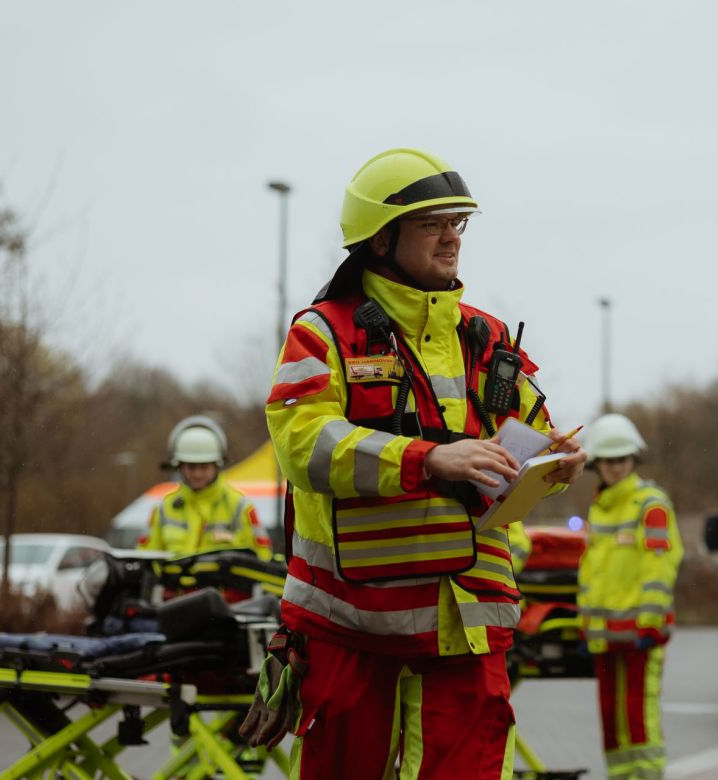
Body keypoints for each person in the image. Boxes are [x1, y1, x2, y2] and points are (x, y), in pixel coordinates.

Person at [240, 148, 586, 779]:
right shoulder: (323, 333)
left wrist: (555, 459)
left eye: (458, 222)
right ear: (378, 240)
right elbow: (303, 443)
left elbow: (532, 430)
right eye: (433, 224)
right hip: (349, 623)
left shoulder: (489, 336)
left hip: (468, 621)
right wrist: (428, 459)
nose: (452, 236)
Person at [578, 412, 683, 780]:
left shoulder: (650, 504)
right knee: (611, 718)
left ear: (632, 460)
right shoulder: (599, 507)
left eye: (621, 460)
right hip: (605, 635)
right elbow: (592, 574)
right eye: (607, 461)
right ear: (596, 464)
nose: (615, 468)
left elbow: (660, 568)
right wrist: (585, 626)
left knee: (639, 718)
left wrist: (651, 623)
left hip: (640, 633)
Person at [138, 415, 272, 562]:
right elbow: (146, 558)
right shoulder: (164, 508)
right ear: (179, 466)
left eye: (204, 466)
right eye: (191, 466)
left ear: (217, 465)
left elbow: (262, 558)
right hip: (173, 585)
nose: (197, 473)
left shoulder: (240, 507)